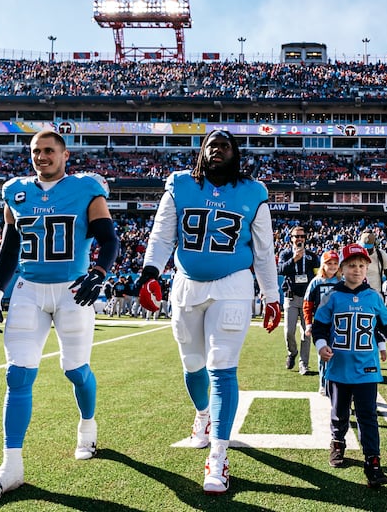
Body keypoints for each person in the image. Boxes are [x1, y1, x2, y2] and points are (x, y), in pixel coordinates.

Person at [0, 130, 118, 505]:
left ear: (65, 155)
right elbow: (9, 246)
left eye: (49, 150)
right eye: (36, 151)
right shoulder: (16, 190)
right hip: (28, 290)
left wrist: (99, 272)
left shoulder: (85, 188)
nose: (41, 156)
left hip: (72, 290)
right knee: (17, 375)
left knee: (75, 370)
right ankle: (11, 467)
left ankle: (87, 425)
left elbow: (108, 238)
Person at [139, 129, 282, 496]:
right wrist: (150, 273)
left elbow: (264, 250)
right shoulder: (180, 184)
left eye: (224, 145)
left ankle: (218, 455)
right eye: (211, 145)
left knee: (222, 368)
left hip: (233, 284)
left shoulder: (253, 191)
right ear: (201, 151)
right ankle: (203, 414)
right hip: (186, 283)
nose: (217, 150)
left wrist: (271, 295)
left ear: (235, 153)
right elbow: (162, 235)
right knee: (192, 364)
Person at [312, 243, 387, 488]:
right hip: (339, 367)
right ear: (341, 269)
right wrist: (321, 345)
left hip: (367, 368)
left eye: (361, 265)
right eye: (351, 265)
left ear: (367, 268)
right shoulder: (332, 296)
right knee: (339, 412)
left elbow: (386, 325)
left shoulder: (373, 297)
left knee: (368, 415)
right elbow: (320, 326)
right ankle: (338, 442)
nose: (357, 270)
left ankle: (372, 460)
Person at [278, 226, 318, 375]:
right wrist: (294, 259)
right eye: (297, 236)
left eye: (302, 236)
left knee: (306, 333)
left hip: (307, 298)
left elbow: (317, 276)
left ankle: (303, 364)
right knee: (289, 331)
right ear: (291, 238)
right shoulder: (286, 253)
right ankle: (292, 352)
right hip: (291, 297)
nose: (300, 239)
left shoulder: (312, 256)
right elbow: (280, 270)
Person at [303, 250, 342, 396]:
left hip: (339, 324)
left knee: (339, 355)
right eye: (329, 263)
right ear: (322, 265)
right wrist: (308, 324)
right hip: (321, 325)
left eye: (335, 263)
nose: (332, 266)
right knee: (323, 354)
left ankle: (339, 385)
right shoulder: (316, 282)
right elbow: (307, 304)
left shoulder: (342, 282)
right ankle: (323, 383)